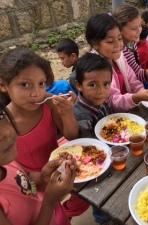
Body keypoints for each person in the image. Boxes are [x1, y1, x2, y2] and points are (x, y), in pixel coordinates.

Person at [0, 49, 89, 220]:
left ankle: (66, 213)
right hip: (31, 184)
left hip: (56, 171)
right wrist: (46, 192)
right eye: (25, 85)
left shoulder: (48, 103)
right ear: (4, 85)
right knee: (45, 208)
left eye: (41, 83)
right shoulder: (5, 127)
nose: (36, 93)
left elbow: (71, 135)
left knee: (74, 203)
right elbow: (20, 180)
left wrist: (67, 113)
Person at [0, 102, 77, 224]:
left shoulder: (6, 162)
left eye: (1, 117)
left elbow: (28, 182)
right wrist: (49, 201)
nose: (5, 133)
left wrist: (43, 177)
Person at [85, 13, 148, 113]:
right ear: (95, 44)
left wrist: (143, 93)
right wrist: (136, 98)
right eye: (110, 41)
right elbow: (112, 101)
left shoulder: (120, 57)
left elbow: (133, 81)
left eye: (120, 39)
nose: (118, 45)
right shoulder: (96, 68)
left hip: (129, 108)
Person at [73, 53, 113, 224]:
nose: (101, 91)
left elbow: (108, 121)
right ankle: (102, 218)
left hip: (110, 152)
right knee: (101, 194)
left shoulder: (101, 100)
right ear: (79, 85)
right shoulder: (80, 113)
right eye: (92, 85)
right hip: (93, 163)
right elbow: (88, 146)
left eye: (106, 84)